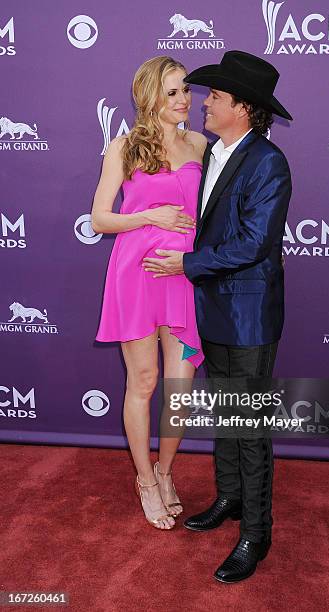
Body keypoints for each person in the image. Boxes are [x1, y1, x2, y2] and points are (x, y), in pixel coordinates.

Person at [142, 50, 293, 580]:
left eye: (217, 97)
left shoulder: (269, 162)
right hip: (214, 309)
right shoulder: (213, 155)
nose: (204, 104)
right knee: (227, 417)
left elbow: (255, 243)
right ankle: (230, 499)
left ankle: (257, 531)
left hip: (249, 314)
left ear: (245, 108)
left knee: (249, 426)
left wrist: (186, 264)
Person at [91, 56, 207, 530]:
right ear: (150, 97)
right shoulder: (123, 146)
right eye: (175, 92)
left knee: (180, 390)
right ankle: (144, 480)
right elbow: (100, 218)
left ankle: (165, 472)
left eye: (187, 91)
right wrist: (149, 216)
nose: (185, 100)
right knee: (143, 384)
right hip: (136, 276)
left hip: (183, 276)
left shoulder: (201, 143)